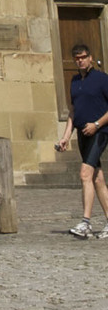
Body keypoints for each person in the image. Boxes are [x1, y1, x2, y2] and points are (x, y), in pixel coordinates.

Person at [57, 41, 108, 236]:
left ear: (90, 58)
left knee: (85, 174)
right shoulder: (75, 81)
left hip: (100, 133)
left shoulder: (102, 79)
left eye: (83, 57)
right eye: (77, 58)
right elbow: (73, 111)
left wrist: (96, 124)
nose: (80, 61)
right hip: (81, 133)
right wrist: (65, 136)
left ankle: (85, 223)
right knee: (97, 178)